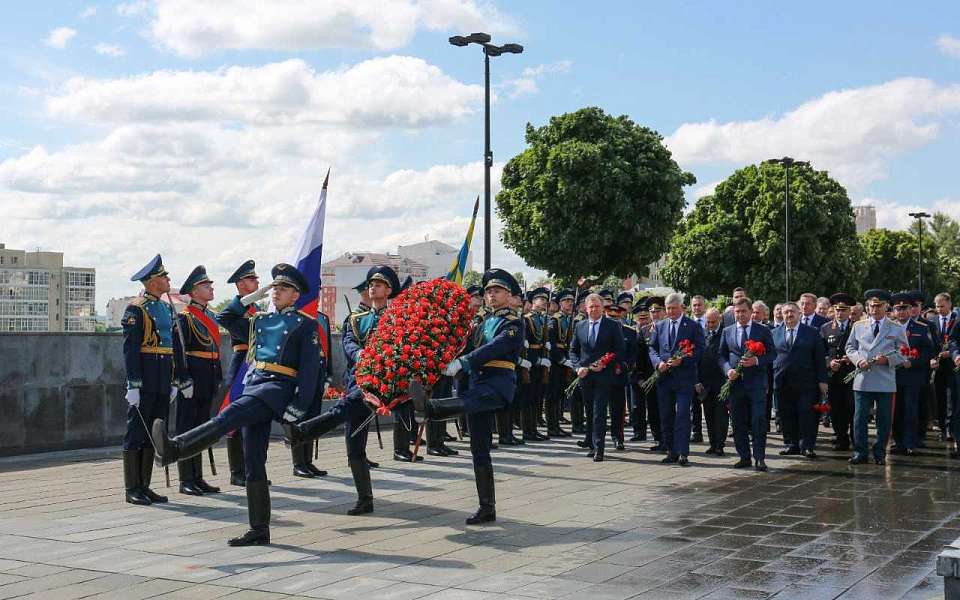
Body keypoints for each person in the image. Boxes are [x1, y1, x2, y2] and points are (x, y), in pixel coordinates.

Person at [153, 264, 322, 545]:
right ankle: (259, 530)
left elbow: (310, 371)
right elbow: (227, 316)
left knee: (225, 418)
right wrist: (255, 296)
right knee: (254, 462)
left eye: (283, 289)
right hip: (255, 385)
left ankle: (175, 449)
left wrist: (298, 408)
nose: (277, 292)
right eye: (275, 287)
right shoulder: (261, 320)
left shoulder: (306, 325)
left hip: (275, 390)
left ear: (296, 296)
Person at [411, 269, 524, 524]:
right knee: (479, 449)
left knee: (470, 403)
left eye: (497, 291)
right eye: (488, 292)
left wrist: (465, 361)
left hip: (497, 384)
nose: (491, 295)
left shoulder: (513, 323)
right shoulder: (481, 323)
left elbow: (495, 348)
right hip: (475, 385)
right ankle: (487, 506)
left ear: (508, 295)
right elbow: (466, 347)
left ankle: (430, 409)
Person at [120, 254, 189, 506]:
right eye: (164, 276)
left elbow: (172, 347)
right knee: (136, 432)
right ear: (151, 282)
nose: (168, 279)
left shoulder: (166, 307)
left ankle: (145, 486)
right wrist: (133, 384)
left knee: (153, 433)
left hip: (162, 378)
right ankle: (132, 488)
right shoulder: (136, 308)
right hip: (146, 377)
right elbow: (131, 350)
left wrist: (173, 381)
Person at [174, 266, 223, 496]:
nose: (211, 288)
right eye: (206, 286)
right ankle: (186, 479)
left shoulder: (210, 316)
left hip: (208, 376)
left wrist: (218, 375)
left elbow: (215, 349)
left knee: (202, 428)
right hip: (193, 377)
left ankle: (198, 477)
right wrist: (183, 379)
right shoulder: (185, 317)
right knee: (187, 428)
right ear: (193, 292)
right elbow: (179, 351)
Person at [845, 289, 909, 465]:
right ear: (867, 306)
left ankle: (880, 452)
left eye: (879, 306)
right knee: (859, 419)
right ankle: (860, 452)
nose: (875, 309)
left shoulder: (895, 328)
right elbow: (850, 348)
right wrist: (858, 361)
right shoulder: (858, 326)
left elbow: (904, 352)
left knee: (884, 420)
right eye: (872, 306)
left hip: (885, 379)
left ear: (886, 306)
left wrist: (888, 359)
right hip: (863, 378)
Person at [719, 297, 776, 471]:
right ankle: (744, 456)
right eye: (737, 312)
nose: (740, 315)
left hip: (756, 383)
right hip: (736, 385)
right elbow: (721, 355)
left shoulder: (762, 330)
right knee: (738, 422)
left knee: (758, 420)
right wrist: (728, 369)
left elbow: (772, 354)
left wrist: (757, 361)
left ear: (751, 312)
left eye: (744, 311)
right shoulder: (727, 331)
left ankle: (759, 457)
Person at [648, 293, 705, 465]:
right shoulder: (660, 326)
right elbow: (652, 348)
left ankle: (683, 452)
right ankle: (671, 450)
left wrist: (684, 360)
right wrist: (658, 363)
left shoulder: (693, 326)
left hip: (684, 378)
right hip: (664, 378)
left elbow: (700, 349)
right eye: (668, 309)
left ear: (682, 307)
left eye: (674, 308)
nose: (671, 312)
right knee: (666, 415)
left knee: (682, 415)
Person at [216, 260, 259, 486]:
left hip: (255, 364)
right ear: (241, 284)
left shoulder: (257, 310)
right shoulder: (238, 308)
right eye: (252, 280)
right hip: (241, 362)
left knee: (252, 419)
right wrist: (244, 301)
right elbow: (222, 318)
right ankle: (236, 472)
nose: (257, 282)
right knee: (235, 418)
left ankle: (250, 469)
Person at [570, 293, 626, 461]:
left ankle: (599, 449)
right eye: (590, 307)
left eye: (597, 306)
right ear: (586, 309)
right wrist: (578, 366)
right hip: (586, 376)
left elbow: (620, 350)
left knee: (599, 411)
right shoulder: (580, 326)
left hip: (604, 375)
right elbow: (573, 350)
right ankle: (593, 444)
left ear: (603, 308)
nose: (594, 309)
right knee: (589, 411)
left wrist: (606, 363)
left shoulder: (612, 325)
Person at [771, 301, 827, 460]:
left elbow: (819, 358)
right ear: (782, 314)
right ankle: (791, 444)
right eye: (786, 312)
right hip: (782, 382)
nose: (789, 315)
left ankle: (807, 446)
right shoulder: (774, 333)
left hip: (806, 382)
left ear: (799, 314)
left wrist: (822, 380)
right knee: (786, 415)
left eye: (792, 312)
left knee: (807, 414)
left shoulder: (812, 332)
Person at [891, 292, 933, 455]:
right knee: (896, 410)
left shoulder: (921, 329)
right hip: (893, 374)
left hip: (912, 376)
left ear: (910, 309)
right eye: (898, 308)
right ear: (894, 310)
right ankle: (898, 441)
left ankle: (910, 442)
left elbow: (928, 351)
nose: (901, 312)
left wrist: (913, 362)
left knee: (910, 409)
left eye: (904, 308)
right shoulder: (889, 327)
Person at [820, 293, 856, 451]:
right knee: (836, 409)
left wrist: (854, 358)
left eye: (843, 310)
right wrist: (829, 363)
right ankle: (841, 437)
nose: (840, 313)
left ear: (849, 311)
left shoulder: (857, 326)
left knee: (852, 408)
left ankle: (856, 438)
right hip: (834, 376)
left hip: (853, 375)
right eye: (837, 309)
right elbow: (821, 352)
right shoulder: (826, 328)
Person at [520, 288, 550, 442]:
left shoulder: (542, 319)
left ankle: (533, 429)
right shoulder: (526, 319)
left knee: (536, 397)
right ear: (532, 302)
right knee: (528, 397)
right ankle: (527, 431)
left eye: (545, 299)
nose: (544, 301)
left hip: (540, 361)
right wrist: (535, 360)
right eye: (540, 299)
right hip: (530, 362)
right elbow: (525, 345)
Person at [605, 302, 636, 450]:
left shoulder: (629, 332)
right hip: (601, 374)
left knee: (617, 409)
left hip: (618, 375)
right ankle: (594, 439)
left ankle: (618, 437)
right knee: (598, 409)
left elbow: (632, 355)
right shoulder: (600, 330)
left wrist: (624, 366)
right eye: (610, 317)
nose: (614, 321)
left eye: (616, 318)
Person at [698, 308, 728, 455]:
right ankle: (712, 443)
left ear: (720, 319)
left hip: (721, 381)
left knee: (721, 415)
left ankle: (720, 445)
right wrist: (697, 381)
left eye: (713, 321)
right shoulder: (701, 334)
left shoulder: (726, 333)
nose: (710, 324)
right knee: (709, 414)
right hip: (705, 382)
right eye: (708, 321)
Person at [547, 289, 575, 438]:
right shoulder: (555, 319)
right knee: (553, 394)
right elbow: (551, 343)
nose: (569, 304)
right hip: (556, 361)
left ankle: (556, 425)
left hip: (565, 360)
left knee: (559, 394)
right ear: (559, 304)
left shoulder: (569, 318)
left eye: (571, 301)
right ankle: (552, 426)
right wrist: (561, 360)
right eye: (566, 301)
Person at [931, 293, 957, 443]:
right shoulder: (932, 322)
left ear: (949, 304)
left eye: (941, 306)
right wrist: (933, 358)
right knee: (939, 396)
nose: (939, 309)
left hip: (953, 365)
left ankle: (949, 428)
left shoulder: (957, 320)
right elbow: (929, 344)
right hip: (937, 365)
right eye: (937, 306)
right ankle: (942, 426)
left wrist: (952, 353)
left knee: (950, 397)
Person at [630, 302, 655, 442]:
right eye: (640, 319)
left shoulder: (653, 331)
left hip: (650, 374)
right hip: (634, 374)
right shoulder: (630, 331)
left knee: (652, 406)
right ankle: (638, 432)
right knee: (636, 406)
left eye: (645, 318)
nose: (643, 321)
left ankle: (656, 434)